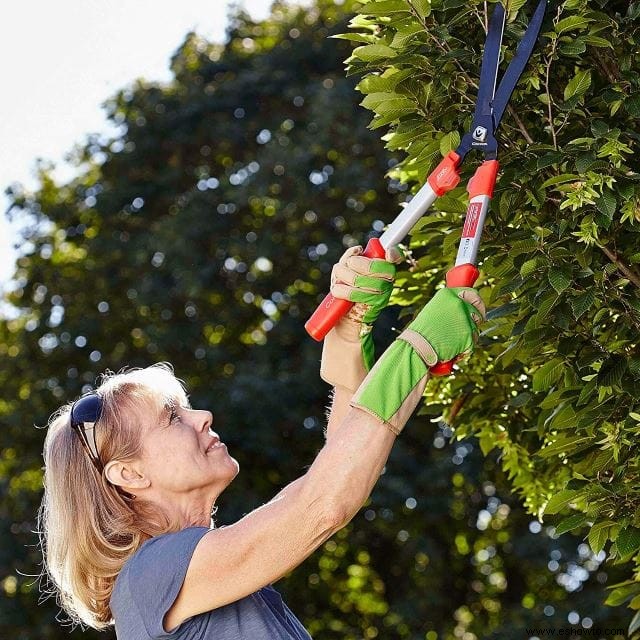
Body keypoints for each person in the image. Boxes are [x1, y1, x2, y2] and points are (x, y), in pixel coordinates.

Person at [39, 246, 485, 639]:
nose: (202, 417)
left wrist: (349, 335)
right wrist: (416, 351)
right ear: (129, 474)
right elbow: (322, 503)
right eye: (172, 417)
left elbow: (336, 471)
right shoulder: (147, 578)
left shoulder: (201, 580)